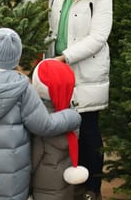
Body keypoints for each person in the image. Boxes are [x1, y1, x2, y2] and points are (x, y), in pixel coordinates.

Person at [8, 0, 113, 200]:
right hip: (57, 70)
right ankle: (66, 183)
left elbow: (99, 37)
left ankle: (92, 188)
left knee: (88, 129)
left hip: (85, 70)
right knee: (60, 128)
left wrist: (65, 57)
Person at [0, 27, 82, 200]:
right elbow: (43, 125)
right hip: (14, 177)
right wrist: (72, 117)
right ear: (15, 58)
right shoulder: (23, 88)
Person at [31, 59, 89, 200]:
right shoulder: (71, 115)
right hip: (64, 180)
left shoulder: (40, 120)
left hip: (43, 184)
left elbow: (34, 157)